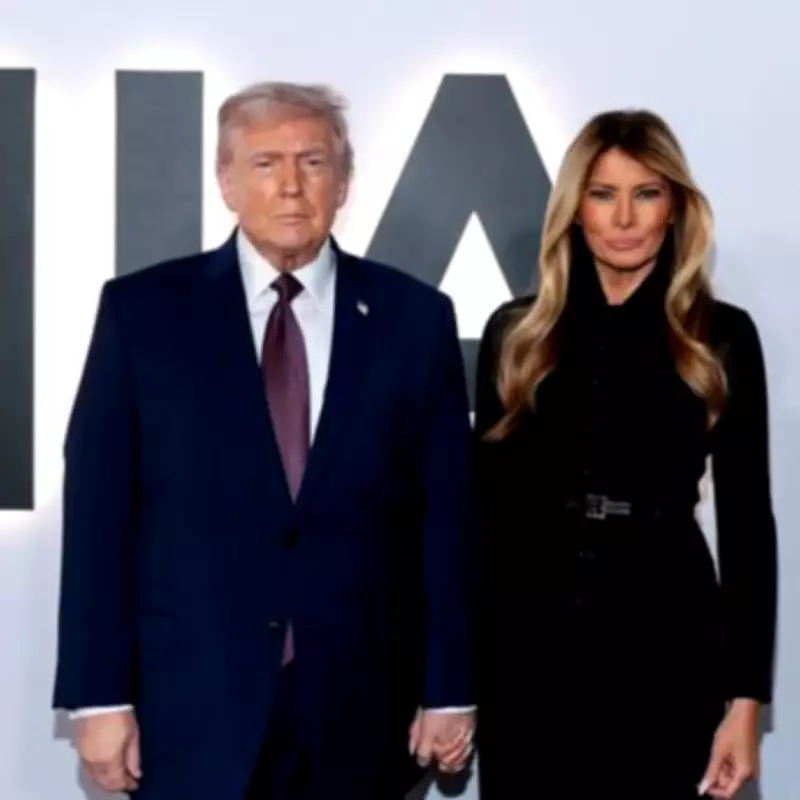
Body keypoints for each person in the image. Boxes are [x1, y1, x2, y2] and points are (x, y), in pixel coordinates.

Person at [53, 81, 476, 799]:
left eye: (313, 162)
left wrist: (450, 688)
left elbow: (445, 521)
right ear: (226, 181)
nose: (290, 186)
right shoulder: (142, 313)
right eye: (265, 163)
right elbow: (99, 516)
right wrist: (98, 698)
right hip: (191, 708)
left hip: (363, 712)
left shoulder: (414, 318)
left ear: (343, 182)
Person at [473, 110, 777, 799]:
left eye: (646, 194)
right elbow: (483, 516)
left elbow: (748, 525)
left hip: (666, 637)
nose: (624, 218)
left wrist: (745, 701)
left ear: (675, 207)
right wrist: (458, 679)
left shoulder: (718, 337)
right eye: (603, 194)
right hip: (529, 645)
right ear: (574, 208)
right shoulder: (517, 334)